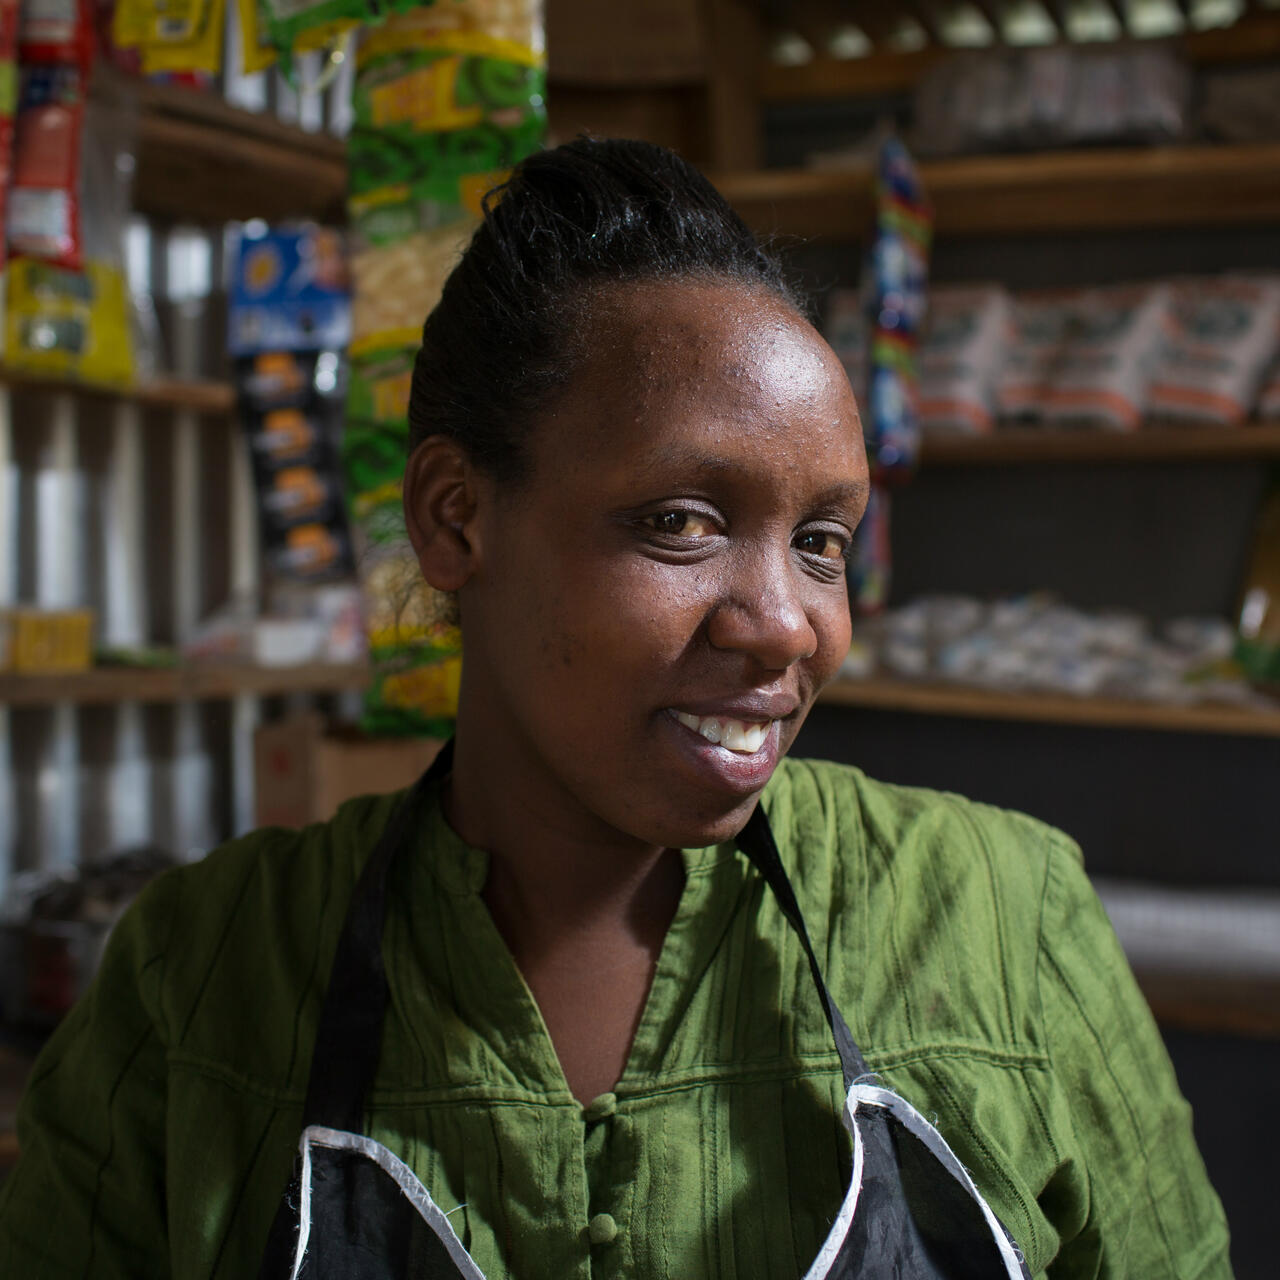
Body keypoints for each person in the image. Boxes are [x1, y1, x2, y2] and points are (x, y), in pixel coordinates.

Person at [0, 138, 1230, 1279]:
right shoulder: (200, 977)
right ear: (453, 517)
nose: (786, 623)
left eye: (820, 540)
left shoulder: (1000, 921)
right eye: (680, 520)